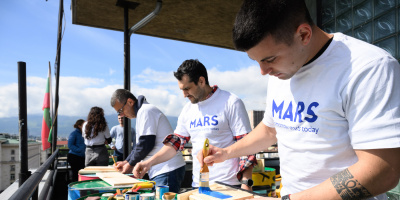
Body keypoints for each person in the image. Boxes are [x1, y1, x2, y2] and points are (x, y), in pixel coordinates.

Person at [199, 1, 400, 200]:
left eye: (269, 59)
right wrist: (226, 153)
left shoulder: (368, 68)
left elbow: (383, 169)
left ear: (304, 34)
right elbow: (270, 129)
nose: (263, 72)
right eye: (257, 61)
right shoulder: (281, 73)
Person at [132, 59, 256, 191]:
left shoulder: (231, 102)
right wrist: (148, 163)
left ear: (201, 81)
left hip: (228, 184)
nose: (184, 95)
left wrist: (246, 184)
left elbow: (246, 145)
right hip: (198, 185)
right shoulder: (187, 110)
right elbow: (175, 144)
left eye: (187, 88)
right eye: (181, 89)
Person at [110, 89, 186, 193]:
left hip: (167, 168)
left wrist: (130, 164)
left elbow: (146, 144)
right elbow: (139, 146)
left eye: (120, 110)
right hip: (161, 169)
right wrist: (126, 161)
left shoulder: (146, 111)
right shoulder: (143, 112)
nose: (121, 115)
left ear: (130, 102)